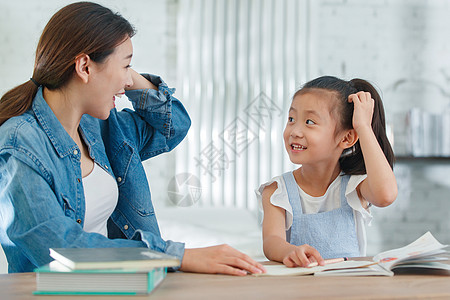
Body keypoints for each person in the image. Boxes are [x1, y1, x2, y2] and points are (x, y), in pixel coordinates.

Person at [0, 2, 265, 276]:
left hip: (122, 286)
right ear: (84, 67)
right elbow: (60, 249)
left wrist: (122, 68)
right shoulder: (20, 143)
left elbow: (173, 126)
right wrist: (175, 256)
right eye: (127, 67)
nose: (129, 82)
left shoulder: (104, 127)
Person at [256, 76, 398, 267]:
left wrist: (363, 127)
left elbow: (386, 196)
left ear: (347, 138)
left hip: (348, 290)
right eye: (291, 119)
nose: (295, 131)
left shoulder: (354, 188)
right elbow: (271, 241)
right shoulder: (276, 191)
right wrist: (289, 251)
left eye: (309, 122)